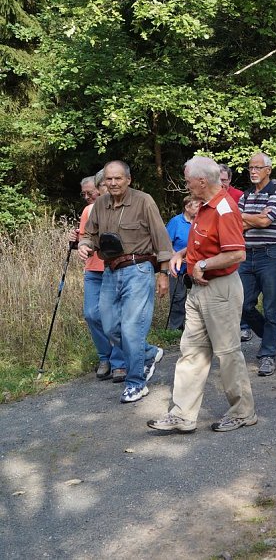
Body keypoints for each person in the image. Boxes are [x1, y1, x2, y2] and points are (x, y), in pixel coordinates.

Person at [147, 156, 257, 433]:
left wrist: (204, 265)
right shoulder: (205, 208)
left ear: (202, 181)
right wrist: (182, 254)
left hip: (219, 290)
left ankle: (243, 412)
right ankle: (182, 415)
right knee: (191, 352)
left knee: (228, 353)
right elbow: (208, 244)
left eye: (187, 181)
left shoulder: (224, 208)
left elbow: (237, 252)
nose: (186, 185)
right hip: (199, 289)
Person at [78, 160, 172, 403]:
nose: (113, 183)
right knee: (109, 327)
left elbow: (161, 238)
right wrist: (85, 244)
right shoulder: (100, 203)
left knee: (132, 328)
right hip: (110, 270)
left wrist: (163, 273)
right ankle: (148, 352)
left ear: (128, 180)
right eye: (109, 179)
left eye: (118, 178)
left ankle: (136, 382)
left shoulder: (144, 200)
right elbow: (89, 233)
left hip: (138, 270)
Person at [69, 175, 126, 381]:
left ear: (101, 188)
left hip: (113, 268)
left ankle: (119, 362)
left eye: (90, 192)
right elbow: (86, 239)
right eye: (83, 193)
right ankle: (105, 356)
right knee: (91, 314)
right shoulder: (87, 211)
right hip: (93, 270)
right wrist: (77, 242)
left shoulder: (119, 209)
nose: (87, 196)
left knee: (113, 316)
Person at [237, 152, 276, 377]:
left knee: (270, 306)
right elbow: (236, 224)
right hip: (247, 255)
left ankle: (267, 355)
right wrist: (255, 218)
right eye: (250, 168)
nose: (253, 171)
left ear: (268, 170)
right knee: (243, 304)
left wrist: (249, 219)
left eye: (258, 167)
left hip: (271, 255)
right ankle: (271, 336)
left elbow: (267, 221)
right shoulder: (245, 195)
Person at [165, 195, 201, 330]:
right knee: (178, 297)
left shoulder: (200, 221)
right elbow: (166, 244)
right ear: (187, 207)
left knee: (199, 296)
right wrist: (177, 256)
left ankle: (195, 326)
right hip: (178, 266)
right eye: (197, 206)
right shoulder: (176, 222)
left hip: (197, 266)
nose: (200, 209)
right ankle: (175, 328)